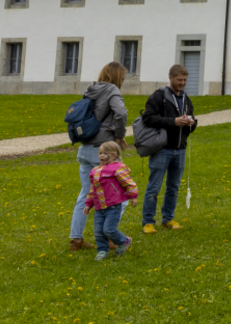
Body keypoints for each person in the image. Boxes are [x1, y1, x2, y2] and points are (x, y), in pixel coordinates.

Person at [69, 62, 129, 252]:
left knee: (86, 194)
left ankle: (76, 239)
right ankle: (110, 236)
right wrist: (119, 135)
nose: (123, 81)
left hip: (85, 147)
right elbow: (121, 113)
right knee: (121, 195)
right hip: (104, 150)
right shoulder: (112, 90)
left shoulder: (91, 89)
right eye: (122, 78)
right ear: (117, 77)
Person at [140, 65, 198, 234]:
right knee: (154, 188)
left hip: (180, 149)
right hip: (162, 149)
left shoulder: (186, 98)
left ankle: (168, 219)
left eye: (185, 80)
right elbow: (148, 118)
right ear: (170, 77)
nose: (182, 83)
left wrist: (191, 123)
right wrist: (173, 122)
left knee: (173, 187)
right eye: (179, 80)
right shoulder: (159, 96)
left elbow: (192, 121)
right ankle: (148, 222)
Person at [85, 140, 139, 260]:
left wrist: (133, 196)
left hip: (113, 206)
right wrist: (88, 204)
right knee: (98, 231)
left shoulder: (118, 168)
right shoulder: (94, 171)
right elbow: (92, 189)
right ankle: (102, 250)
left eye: (105, 153)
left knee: (108, 230)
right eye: (100, 153)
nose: (102, 156)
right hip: (99, 207)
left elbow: (129, 183)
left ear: (114, 155)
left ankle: (124, 241)